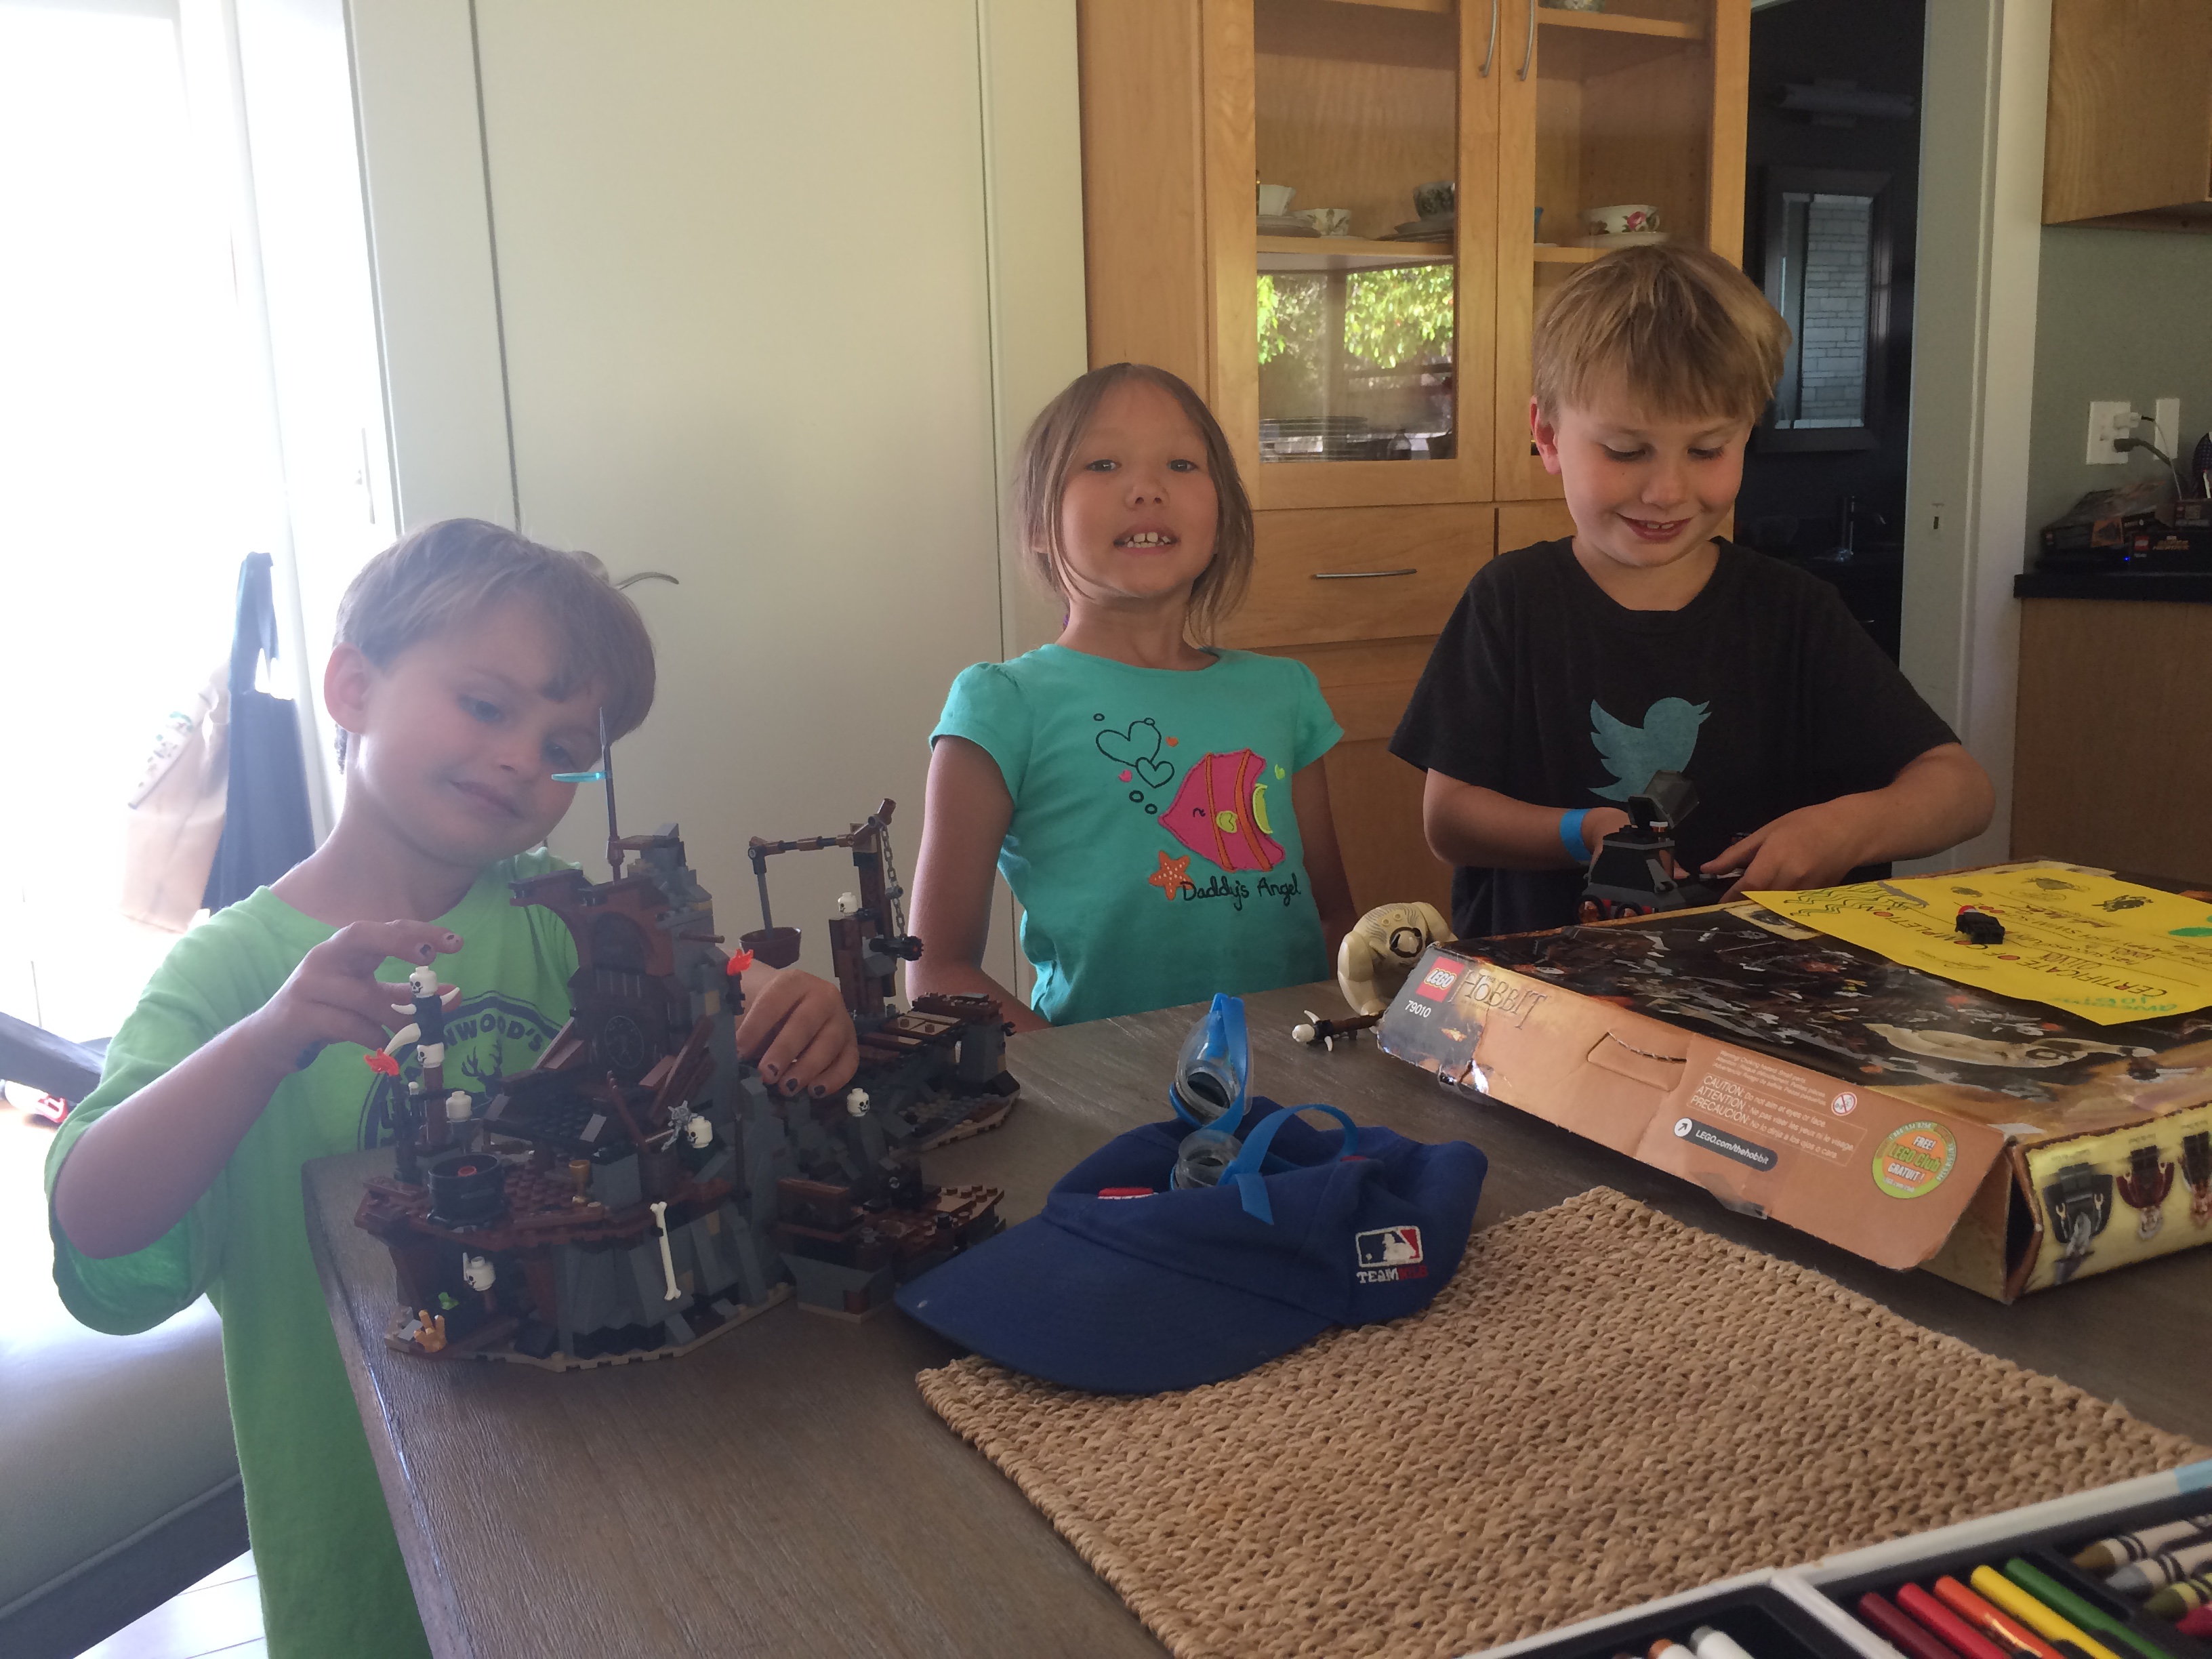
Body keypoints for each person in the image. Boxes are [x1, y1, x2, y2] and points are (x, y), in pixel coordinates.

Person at [46, 520, 858, 1658]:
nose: (525, 757)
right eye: (485, 705)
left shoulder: (567, 911)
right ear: (351, 687)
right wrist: (267, 1040)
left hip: (608, 1493)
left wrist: (785, 997)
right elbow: (96, 1225)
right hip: (369, 1519)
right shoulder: (227, 973)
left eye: (566, 745)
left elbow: (715, 980)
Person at [1391, 244, 1993, 939]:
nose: (1667, 491)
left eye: (1707, 450)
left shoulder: (1793, 612)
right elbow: (1448, 820)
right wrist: (1585, 831)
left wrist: (1848, 827)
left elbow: (1962, 789)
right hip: (1542, 986)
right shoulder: (1512, 601)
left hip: (1754, 982)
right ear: (1547, 436)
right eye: (1626, 451)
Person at [910, 363, 1357, 1028]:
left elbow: (1333, 920)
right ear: (1038, 525)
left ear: (1222, 518)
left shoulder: (1285, 695)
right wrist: (1084, 1080)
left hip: (1295, 1074)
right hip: (1099, 1092)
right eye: (1103, 464)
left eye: (1181, 464)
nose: (1147, 488)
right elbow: (937, 972)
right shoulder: (1001, 704)